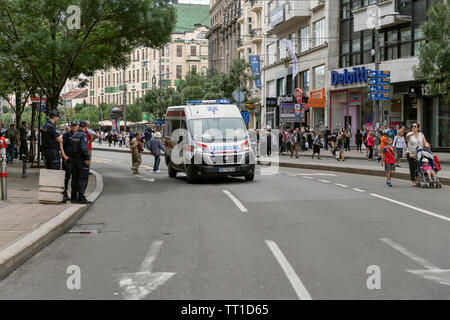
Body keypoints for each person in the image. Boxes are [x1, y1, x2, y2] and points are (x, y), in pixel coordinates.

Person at [70, 121, 91, 204]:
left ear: (78, 126)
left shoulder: (74, 135)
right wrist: (87, 158)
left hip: (74, 160)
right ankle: (81, 197)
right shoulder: (83, 135)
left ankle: (73, 197)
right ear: (86, 127)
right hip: (82, 160)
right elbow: (84, 148)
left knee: (74, 178)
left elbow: (71, 149)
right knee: (82, 178)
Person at [406, 122, 430, 187]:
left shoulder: (421, 134)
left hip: (419, 153)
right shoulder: (410, 134)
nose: (413, 127)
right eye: (412, 126)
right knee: (413, 167)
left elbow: (425, 142)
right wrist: (412, 133)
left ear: (418, 128)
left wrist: (427, 145)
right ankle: (414, 180)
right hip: (411, 153)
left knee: (418, 166)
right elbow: (407, 137)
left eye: (415, 126)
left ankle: (418, 179)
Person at [62, 121, 78, 202]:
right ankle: (64, 193)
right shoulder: (67, 135)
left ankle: (74, 195)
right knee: (67, 176)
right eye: (73, 125)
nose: (74, 127)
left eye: (75, 125)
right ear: (71, 126)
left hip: (76, 159)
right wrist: (64, 156)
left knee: (75, 177)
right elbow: (61, 144)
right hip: (68, 158)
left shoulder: (79, 135)